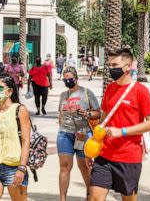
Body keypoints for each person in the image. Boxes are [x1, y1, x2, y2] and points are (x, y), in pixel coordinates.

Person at [89, 48, 150, 201]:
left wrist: (122, 131)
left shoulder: (140, 91)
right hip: (104, 154)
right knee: (94, 197)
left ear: (128, 66)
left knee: (128, 199)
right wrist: (94, 144)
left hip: (128, 156)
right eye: (110, 66)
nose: (111, 69)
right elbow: (104, 120)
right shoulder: (110, 89)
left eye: (115, 65)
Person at [0, 75, 31, 201]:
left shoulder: (20, 110)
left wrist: (22, 167)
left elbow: (26, 142)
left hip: (14, 167)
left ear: (9, 91)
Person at [57, 66, 100, 201]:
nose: (68, 81)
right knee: (64, 167)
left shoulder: (87, 93)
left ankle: (89, 195)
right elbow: (61, 114)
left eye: (70, 79)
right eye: (65, 79)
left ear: (76, 78)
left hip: (83, 133)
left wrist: (87, 113)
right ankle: (62, 198)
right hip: (65, 133)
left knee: (84, 166)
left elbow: (98, 113)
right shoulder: (64, 95)